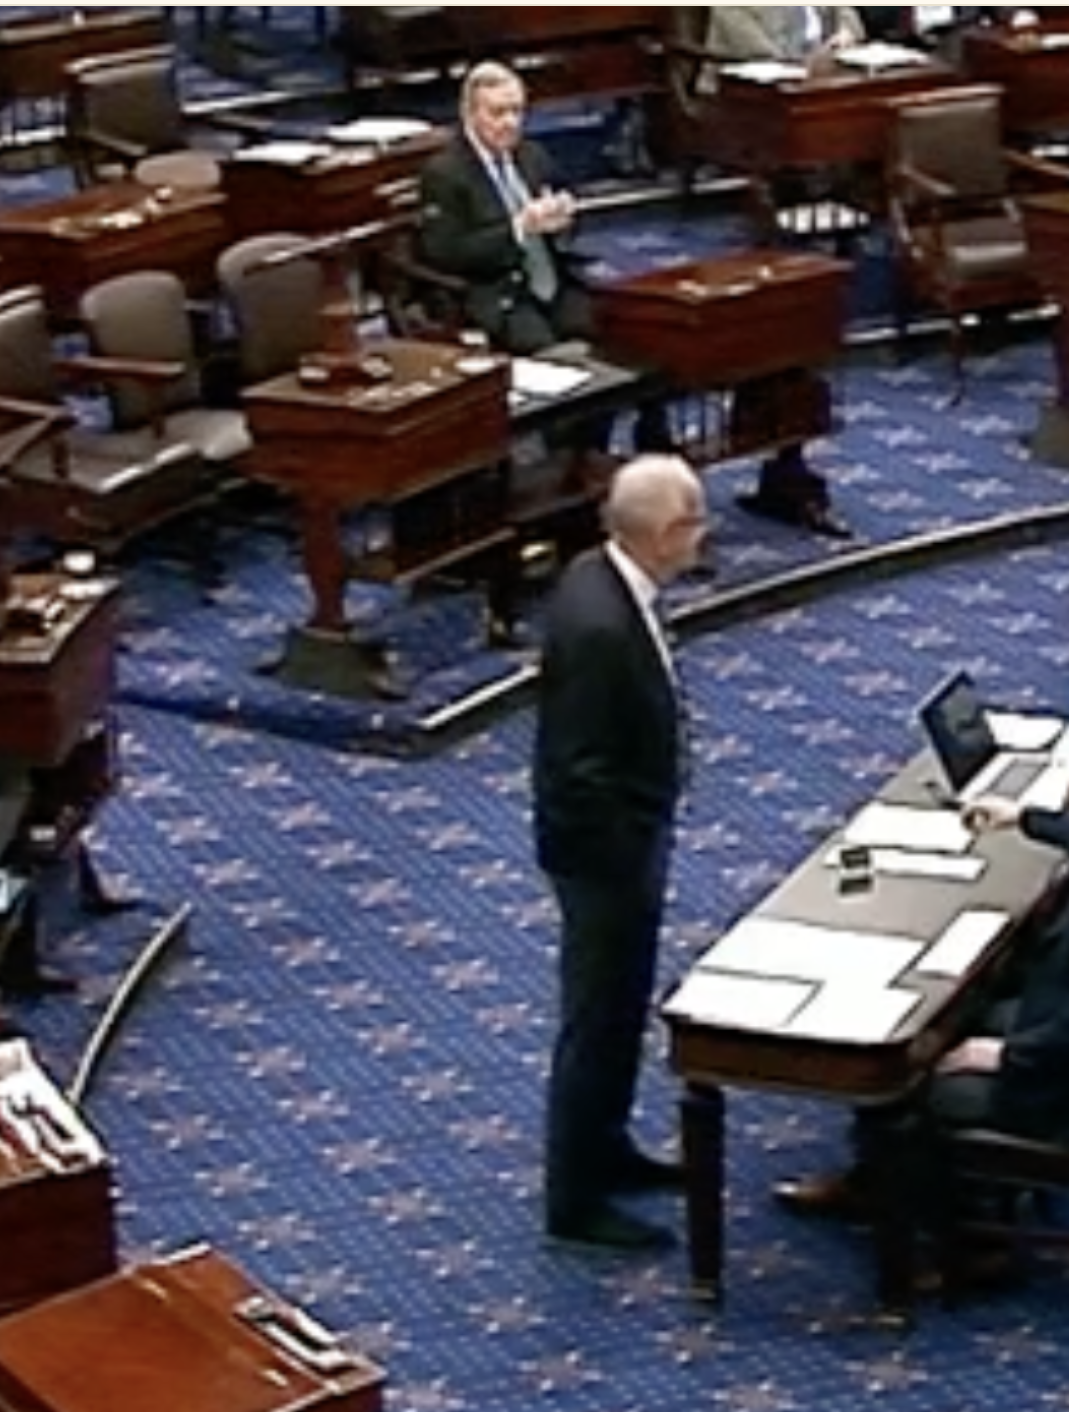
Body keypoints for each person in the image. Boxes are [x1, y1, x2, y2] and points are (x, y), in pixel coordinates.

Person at [775, 709, 1069, 1218]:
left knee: (902, 1085)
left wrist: (1000, 1055)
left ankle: (949, 1238)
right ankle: (894, 1182)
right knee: (965, 1010)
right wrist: (1022, 817)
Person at [531, 454, 709, 1253]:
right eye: (697, 522)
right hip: (605, 857)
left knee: (619, 1013)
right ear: (667, 533)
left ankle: (609, 1150)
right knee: (596, 1019)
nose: (703, 537)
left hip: (626, 842)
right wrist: (627, 856)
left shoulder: (603, 580)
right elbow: (579, 771)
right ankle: (575, 1200)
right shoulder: (601, 623)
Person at [420, 62, 592, 356]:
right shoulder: (445, 173)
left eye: (517, 111)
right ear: (470, 115)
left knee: (621, 333)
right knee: (553, 356)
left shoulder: (532, 154)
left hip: (554, 280)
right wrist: (518, 229)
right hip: (499, 292)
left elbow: (570, 202)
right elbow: (446, 253)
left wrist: (564, 216)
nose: (511, 122)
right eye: (498, 113)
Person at [705, 6, 864, 68]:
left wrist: (846, 32)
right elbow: (756, 50)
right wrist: (809, 63)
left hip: (824, 76)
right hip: (745, 91)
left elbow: (848, 14)